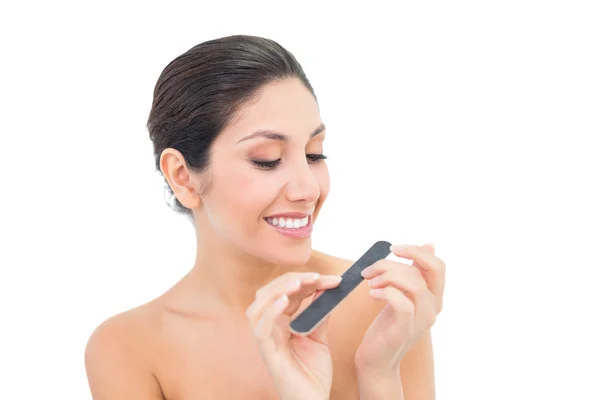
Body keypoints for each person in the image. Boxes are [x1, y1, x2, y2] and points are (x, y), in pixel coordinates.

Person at [84, 34, 446, 400]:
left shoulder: (385, 307)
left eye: (314, 154)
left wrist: (380, 375)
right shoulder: (127, 349)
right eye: (267, 160)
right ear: (183, 177)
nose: (307, 188)